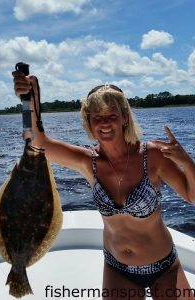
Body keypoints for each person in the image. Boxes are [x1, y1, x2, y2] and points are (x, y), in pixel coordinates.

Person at [12, 71, 195, 300]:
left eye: (111, 114)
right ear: (89, 121)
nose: (105, 122)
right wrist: (31, 98)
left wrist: (187, 162)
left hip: (164, 267)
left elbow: (192, 196)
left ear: (124, 117)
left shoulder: (154, 156)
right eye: (97, 116)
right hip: (117, 268)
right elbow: (38, 143)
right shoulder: (88, 162)